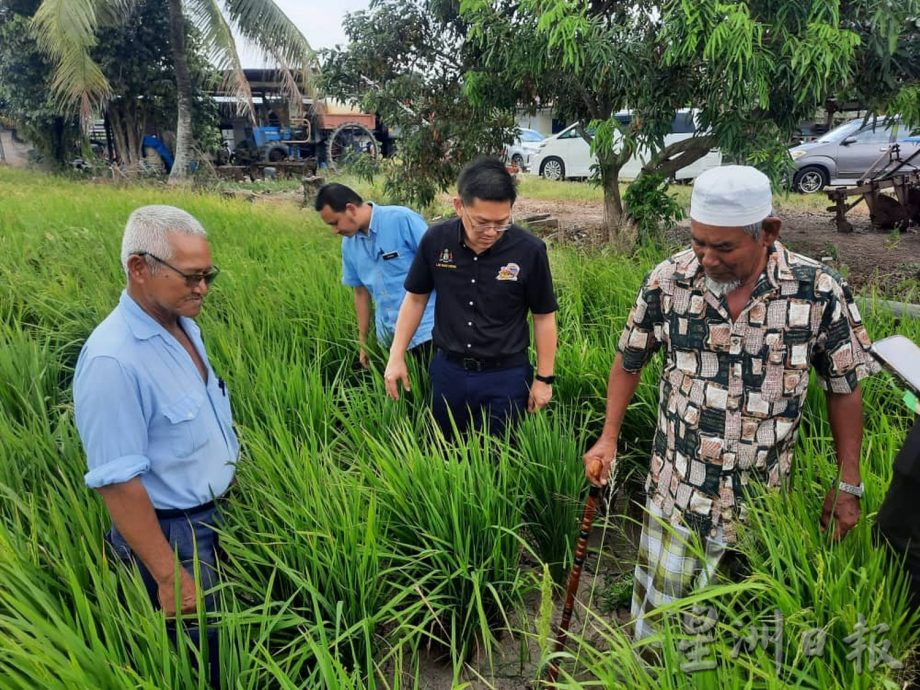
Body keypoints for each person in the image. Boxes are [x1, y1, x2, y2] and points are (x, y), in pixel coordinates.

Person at [582, 165, 879, 640]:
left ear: (768, 232)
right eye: (699, 242)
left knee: (742, 635)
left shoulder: (817, 290)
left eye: (723, 247)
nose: (707, 259)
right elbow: (629, 360)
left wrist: (849, 482)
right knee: (658, 632)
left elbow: (844, 385)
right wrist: (608, 436)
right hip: (678, 490)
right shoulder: (669, 281)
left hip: (762, 501)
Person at [73, 205, 238, 686]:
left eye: (208, 275)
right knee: (201, 659)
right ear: (139, 268)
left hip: (218, 515)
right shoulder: (113, 361)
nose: (202, 288)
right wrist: (168, 575)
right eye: (190, 277)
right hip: (175, 537)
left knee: (228, 637)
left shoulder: (184, 326)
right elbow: (117, 482)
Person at [384, 157, 558, 438]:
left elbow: (544, 316)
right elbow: (416, 299)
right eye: (481, 223)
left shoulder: (530, 250)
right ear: (459, 206)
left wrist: (544, 379)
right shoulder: (436, 241)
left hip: (507, 376)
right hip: (449, 371)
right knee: (444, 452)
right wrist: (396, 355)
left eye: (502, 223)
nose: (491, 232)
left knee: (501, 460)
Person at [315, 183, 436, 368]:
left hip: (427, 332)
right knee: (402, 394)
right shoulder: (349, 245)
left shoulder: (402, 220)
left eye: (335, 222)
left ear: (350, 209)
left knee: (434, 393)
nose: (334, 231)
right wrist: (363, 344)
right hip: (389, 337)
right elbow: (361, 293)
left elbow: (441, 267)